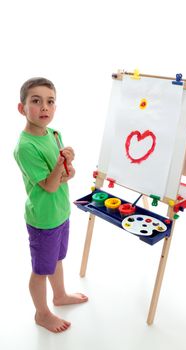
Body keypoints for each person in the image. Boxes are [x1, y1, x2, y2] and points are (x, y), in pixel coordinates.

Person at [14, 77, 88, 333]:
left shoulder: (54, 135)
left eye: (50, 101)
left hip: (60, 212)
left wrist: (68, 162)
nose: (44, 107)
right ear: (22, 108)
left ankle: (59, 296)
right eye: (36, 101)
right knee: (40, 269)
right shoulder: (25, 147)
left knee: (57, 259)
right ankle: (42, 313)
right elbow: (50, 185)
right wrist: (59, 167)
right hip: (43, 219)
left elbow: (68, 174)